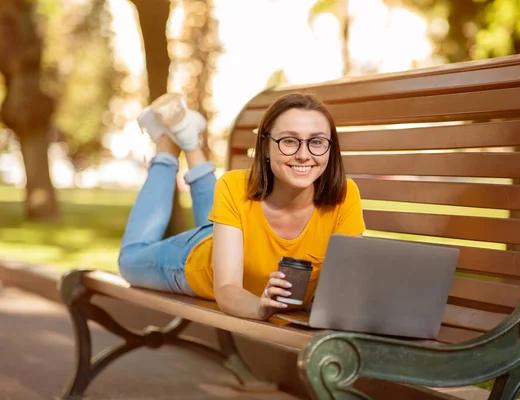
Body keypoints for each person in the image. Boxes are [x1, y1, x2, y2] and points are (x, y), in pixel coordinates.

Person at [118, 92, 365, 321]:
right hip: (194, 261)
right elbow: (227, 289)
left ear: (331, 148)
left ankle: (187, 135)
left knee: (220, 217)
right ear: (266, 146)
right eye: (289, 141)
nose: (303, 154)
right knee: (129, 261)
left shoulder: (345, 195)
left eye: (317, 142)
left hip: (233, 232)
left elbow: (346, 287)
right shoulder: (234, 187)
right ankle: (167, 146)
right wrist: (260, 307)